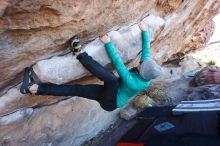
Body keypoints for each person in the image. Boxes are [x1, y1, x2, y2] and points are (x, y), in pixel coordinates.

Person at [20, 23, 163, 111]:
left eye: (142, 64)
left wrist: (108, 43)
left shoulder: (136, 84)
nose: (141, 62)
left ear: (143, 71)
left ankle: (79, 54)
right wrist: (145, 31)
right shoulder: (147, 69)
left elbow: (119, 65)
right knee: (77, 89)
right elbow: (146, 50)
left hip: (111, 102)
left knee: (112, 79)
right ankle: (35, 89)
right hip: (110, 95)